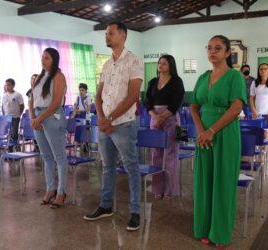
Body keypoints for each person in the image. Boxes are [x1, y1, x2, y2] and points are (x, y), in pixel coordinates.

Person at [83, 21, 143, 231]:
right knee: (107, 167)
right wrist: (101, 118)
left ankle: (135, 211)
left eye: (110, 33)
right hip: (104, 125)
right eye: (106, 33)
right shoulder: (107, 65)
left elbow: (133, 95)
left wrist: (110, 119)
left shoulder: (134, 61)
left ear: (123, 36)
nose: (106, 36)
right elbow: (98, 96)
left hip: (124, 124)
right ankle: (106, 205)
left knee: (131, 167)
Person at [190, 35, 247, 248]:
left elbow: (236, 108)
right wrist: (201, 130)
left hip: (224, 133)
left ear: (227, 53)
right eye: (209, 48)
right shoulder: (204, 77)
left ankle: (220, 233)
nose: (212, 52)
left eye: (218, 48)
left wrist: (212, 130)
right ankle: (204, 228)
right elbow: (194, 106)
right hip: (203, 135)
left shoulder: (235, 76)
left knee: (222, 183)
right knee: (204, 182)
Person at [29, 47, 68, 209]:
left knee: (59, 157)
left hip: (52, 117)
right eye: (42, 57)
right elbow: (31, 100)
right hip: (38, 118)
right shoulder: (38, 78)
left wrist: (39, 119)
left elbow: (56, 103)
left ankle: (61, 192)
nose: (43, 60)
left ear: (54, 60)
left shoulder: (58, 76)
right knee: (46, 157)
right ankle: (50, 189)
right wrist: (33, 119)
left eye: (46, 58)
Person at [145, 54, 184, 200]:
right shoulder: (152, 82)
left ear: (171, 66)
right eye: (159, 63)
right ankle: (157, 189)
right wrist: (154, 116)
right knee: (155, 154)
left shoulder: (176, 81)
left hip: (171, 118)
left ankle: (170, 190)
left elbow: (176, 103)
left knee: (171, 155)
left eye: (164, 63)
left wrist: (162, 117)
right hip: (154, 119)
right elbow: (147, 102)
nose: (160, 65)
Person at [2, 78, 24, 149]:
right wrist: (4, 115)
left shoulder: (18, 94)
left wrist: (18, 114)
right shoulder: (4, 95)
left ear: (13, 85)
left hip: (15, 117)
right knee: (9, 134)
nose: (7, 87)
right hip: (7, 118)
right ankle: (10, 150)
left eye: (8, 85)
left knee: (14, 134)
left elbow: (22, 106)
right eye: (6, 85)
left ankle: (17, 149)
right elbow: (3, 106)